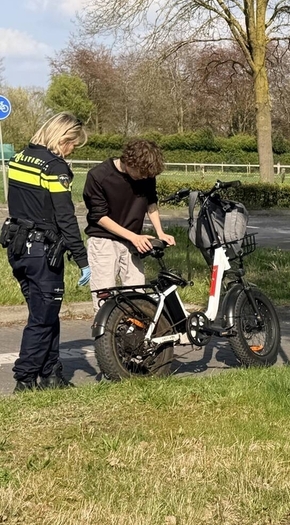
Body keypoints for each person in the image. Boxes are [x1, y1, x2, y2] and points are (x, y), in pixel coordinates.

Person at [2, 113, 90, 391]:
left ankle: (51, 374)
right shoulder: (55, 168)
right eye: (73, 145)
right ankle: (25, 378)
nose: (72, 150)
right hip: (42, 251)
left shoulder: (18, 159)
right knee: (42, 318)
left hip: (18, 248)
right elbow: (65, 217)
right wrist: (82, 259)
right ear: (63, 139)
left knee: (45, 313)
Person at [83, 139, 176, 311]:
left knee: (138, 296)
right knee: (104, 298)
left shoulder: (146, 174)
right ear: (129, 161)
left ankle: (133, 336)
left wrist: (160, 232)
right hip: (103, 241)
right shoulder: (98, 176)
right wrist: (133, 236)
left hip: (134, 243)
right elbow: (99, 217)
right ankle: (105, 337)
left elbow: (151, 202)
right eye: (141, 174)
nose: (144, 178)